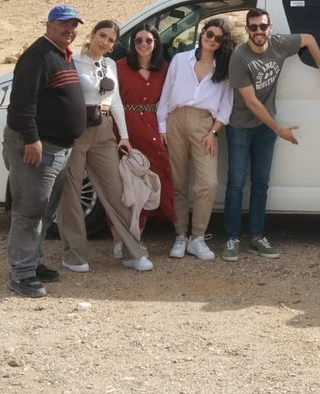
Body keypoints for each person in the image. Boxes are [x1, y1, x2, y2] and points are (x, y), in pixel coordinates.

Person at [222, 8, 320, 261]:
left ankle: (257, 237)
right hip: (240, 126)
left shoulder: (279, 44)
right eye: (253, 27)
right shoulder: (239, 57)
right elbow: (251, 102)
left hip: (265, 128)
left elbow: (309, 39)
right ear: (247, 30)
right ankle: (232, 238)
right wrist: (278, 129)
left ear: (270, 28)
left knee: (261, 183)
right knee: (236, 183)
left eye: (262, 26)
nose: (258, 31)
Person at [57, 19, 154, 274]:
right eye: (102, 35)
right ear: (92, 34)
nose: (105, 42)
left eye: (111, 40)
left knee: (117, 191)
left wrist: (124, 136)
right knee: (71, 193)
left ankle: (132, 252)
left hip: (104, 129)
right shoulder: (72, 61)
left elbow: (116, 100)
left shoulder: (110, 65)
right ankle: (74, 255)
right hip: (77, 130)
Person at [3, 5, 87, 298]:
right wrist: (31, 139)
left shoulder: (62, 55)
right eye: (64, 24)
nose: (70, 30)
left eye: (73, 25)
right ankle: (22, 274)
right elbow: (22, 103)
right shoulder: (37, 56)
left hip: (60, 147)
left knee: (45, 210)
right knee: (29, 211)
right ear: (48, 25)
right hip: (39, 147)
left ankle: (33, 262)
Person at [157, 17, 235, 261]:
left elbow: (226, 105)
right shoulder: (181, 60)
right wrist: (162, 126)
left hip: (204, 125)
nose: (212, 40)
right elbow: (166, 93)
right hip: (176, 120)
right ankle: (180, 235)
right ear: (202, 33)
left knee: (208, 183)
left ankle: (197, 237)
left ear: (223, 42)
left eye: (218, 38)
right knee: (178, 181)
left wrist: (214, 132)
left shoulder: (223, 68)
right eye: (209, 34)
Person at [116, 24, 174, 239]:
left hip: (152, 124)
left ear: (155, 43)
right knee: (128, 179)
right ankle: (126, 234)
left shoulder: (164, 68)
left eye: (148, 40)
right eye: (138, 40)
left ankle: (157, 222)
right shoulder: (120, 66)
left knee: (160, 172)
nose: (143, 44)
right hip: (126, 126)